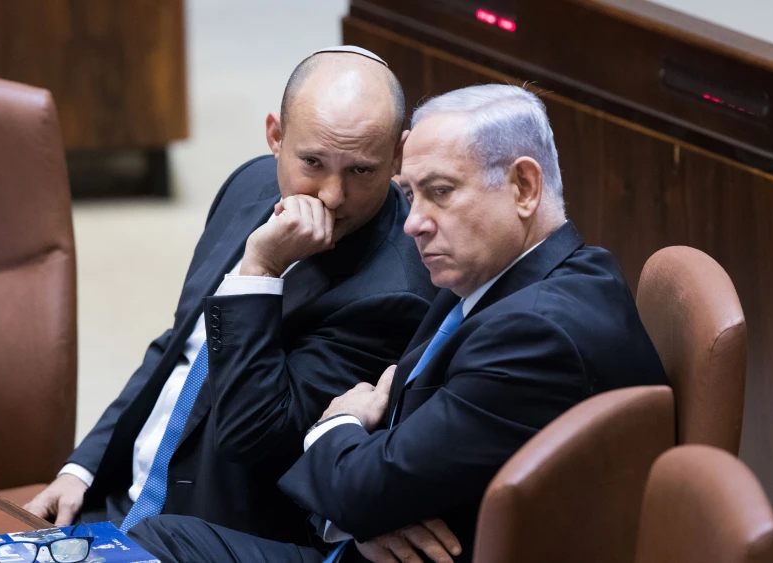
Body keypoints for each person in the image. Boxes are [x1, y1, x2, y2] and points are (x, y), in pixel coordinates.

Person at [128, 84, 668, 563]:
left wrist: (338, 423)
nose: (413, 223)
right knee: (162, 537)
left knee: (159, 545)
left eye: (440, 192)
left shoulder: (534, 335)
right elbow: (374, 480)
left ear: (524, 187)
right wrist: (364, 508)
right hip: (372, 535)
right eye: (410, 195)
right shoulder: (528, 272)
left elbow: (363, 485)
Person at [23, 47, 437, 546]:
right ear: (275, 137)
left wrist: (259, 271)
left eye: (361, 171)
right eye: (312, 162)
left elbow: (257, 435)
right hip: (113, 503)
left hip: (204, 539)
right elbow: (182, 345)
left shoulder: (392, 294)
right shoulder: (249, 186)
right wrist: (83, 468)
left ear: (398, 156)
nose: (331, 194)